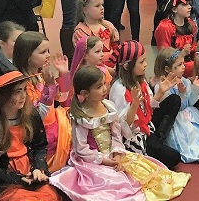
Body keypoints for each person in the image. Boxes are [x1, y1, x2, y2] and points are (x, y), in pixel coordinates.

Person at [50, 65, 190, 200]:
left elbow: (117, 135)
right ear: (85, 94)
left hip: (113, 153)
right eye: (99, 87)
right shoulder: (81, 116)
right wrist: (105, 160)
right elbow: (81, 148)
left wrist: (117, 154)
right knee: (113, 183)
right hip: (93, 159)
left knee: (144, 173)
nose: (105, 89)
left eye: (104, 84)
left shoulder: (109, 106)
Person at [0, 71, 62, 201]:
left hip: (29, 170)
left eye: (24, 90)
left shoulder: (31, 116)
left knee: (50, 195)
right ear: (0, 97)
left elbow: (40, 146)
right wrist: (18, 178)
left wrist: (38, 168)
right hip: (4, 179)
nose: (23, 95)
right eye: (17, 92)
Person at [108, 41, 182, 169]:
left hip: (147, 125)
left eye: (145, 60)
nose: (146, 64)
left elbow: (148, 107)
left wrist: (160, 92)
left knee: (174, 100)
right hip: (134, 135)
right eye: (141, 62)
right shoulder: (119, 89)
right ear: (127, 66)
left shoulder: (139, 80)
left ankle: (158, 140)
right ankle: (153, 147)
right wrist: (134, 106)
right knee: (174, 157)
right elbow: (122, 128)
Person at [13, 31, 72, 172]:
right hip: (42, 133)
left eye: (48, 51)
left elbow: (62, 97)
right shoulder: (22, 84)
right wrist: (49, 86)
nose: (48, 55)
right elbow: (37, 115)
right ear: (27, 56)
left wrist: (63, 74)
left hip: (55, 126)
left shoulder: (40, 76)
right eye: (43, 52)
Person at [73, 0, 119, 67]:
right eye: (97, 6)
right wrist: (107, 69)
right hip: (95, 71)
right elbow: (85, 58)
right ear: (85, 10)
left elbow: (116, 47)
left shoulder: (107, 25)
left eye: (102, 5)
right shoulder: (81, 32)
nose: (102, 8)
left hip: (114, 65)